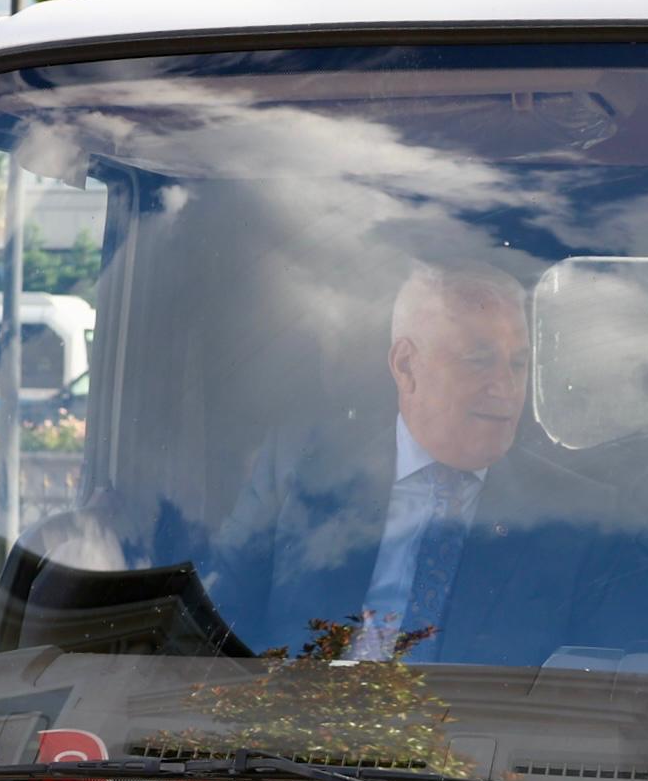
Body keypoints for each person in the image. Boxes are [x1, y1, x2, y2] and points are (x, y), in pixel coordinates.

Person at [211, 261, 615, 666]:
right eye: (479, 360)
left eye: (517, 364)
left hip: (481, 710)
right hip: (302, 704)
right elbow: (215, 627)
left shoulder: (580, 517)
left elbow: (598, 680)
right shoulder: (300, 465)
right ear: (406, 366)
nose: (506, 389)